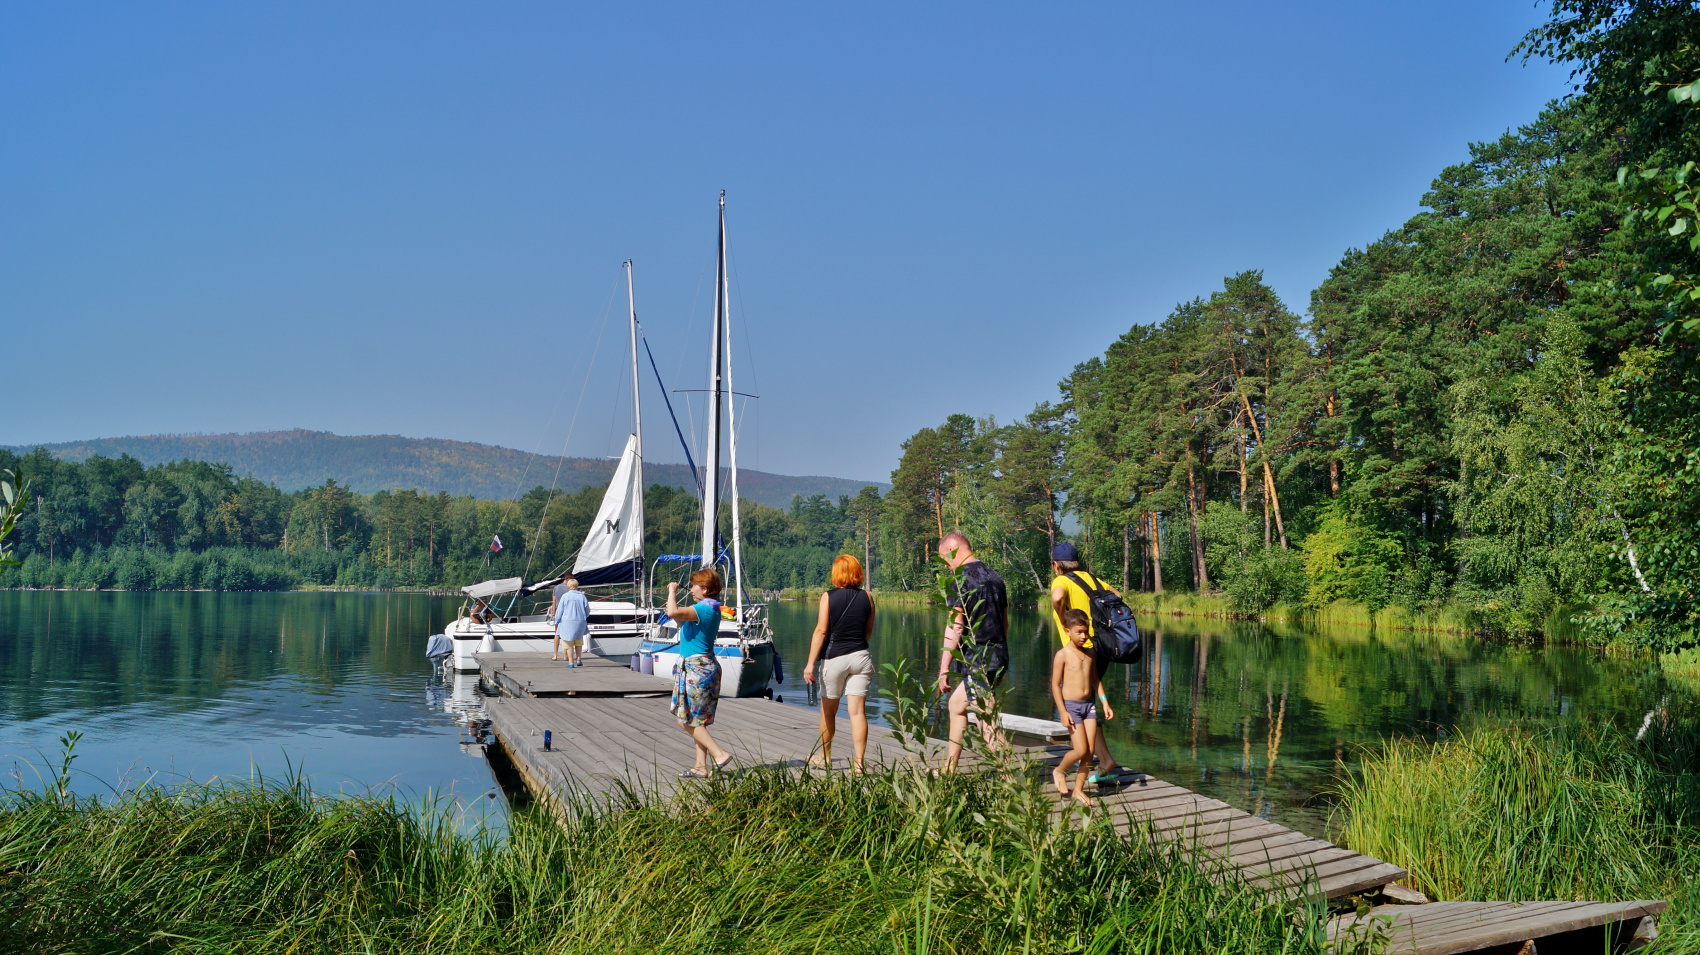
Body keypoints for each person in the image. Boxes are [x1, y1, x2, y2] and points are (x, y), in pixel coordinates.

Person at [935, 530, 1009, 773]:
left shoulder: (960, 580)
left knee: (986, 718)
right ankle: (949, 768)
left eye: (945, 560)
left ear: (951, 552)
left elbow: (955, 625)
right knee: (957, 706)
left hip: (976, 659)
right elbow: (1005, 623)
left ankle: (1008, 776)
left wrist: (944, 667)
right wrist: (1000, 659)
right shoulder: (995, 577)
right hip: (995, 655)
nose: (946, 566)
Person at [1047, 542, 1120, 778]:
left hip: (1083, 650)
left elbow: (1058, 598)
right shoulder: (1094, 579)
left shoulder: (1061, 580)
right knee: (1088, 702)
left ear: (1056, 565)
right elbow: (1118, 596)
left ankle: (1102, 759)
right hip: (1103, 647)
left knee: (1081, 703)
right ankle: (1099, 758)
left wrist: (1061, 617)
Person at [804, 554, 877, 772]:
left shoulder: (828, 597)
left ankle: (825, 758)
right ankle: (859, 764)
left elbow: (821, 630)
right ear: (857, 572)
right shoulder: (868, 597)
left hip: (834, 658)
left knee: (828, 712)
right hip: (861, 657)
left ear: (836, 574)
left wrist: (809, 664)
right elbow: (868, 632)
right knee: (858, 713)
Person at [666, 568, 734, 778]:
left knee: (685, 720)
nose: (692, 590)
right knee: (698, 720)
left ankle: (719, 753)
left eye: (694, 586)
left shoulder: (703, 609)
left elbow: (672, 613)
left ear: (704, 589)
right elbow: (681, 619)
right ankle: (700, 767)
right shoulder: (709, 608)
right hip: (704, 667)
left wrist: (672, 591)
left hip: (697, 669)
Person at [1050, 609, 1103, 806]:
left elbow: (1096, 680)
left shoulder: (1089, 654)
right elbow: (1055, 685)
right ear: (1067, 630)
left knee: (1089, 752)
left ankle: (1078, 791)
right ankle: (1059, 771)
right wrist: (1062, 711)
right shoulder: (1062, 655)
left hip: (1089, 705)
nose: (1083, 636)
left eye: (1086, 632)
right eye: (1079, 632)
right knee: (1080, 749)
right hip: (1071, 707)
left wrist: (1104, 700)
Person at [550, 577, 589, 667]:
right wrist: (584, 617)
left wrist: (557, 620)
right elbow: (587, 610)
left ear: (568, 586)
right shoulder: (582, 596)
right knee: (578, 641)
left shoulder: (565, 596)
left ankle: (571, 662)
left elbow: (560, 610)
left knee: (568, 642)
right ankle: (579, 659)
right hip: (580, 621)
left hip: (568, 622)